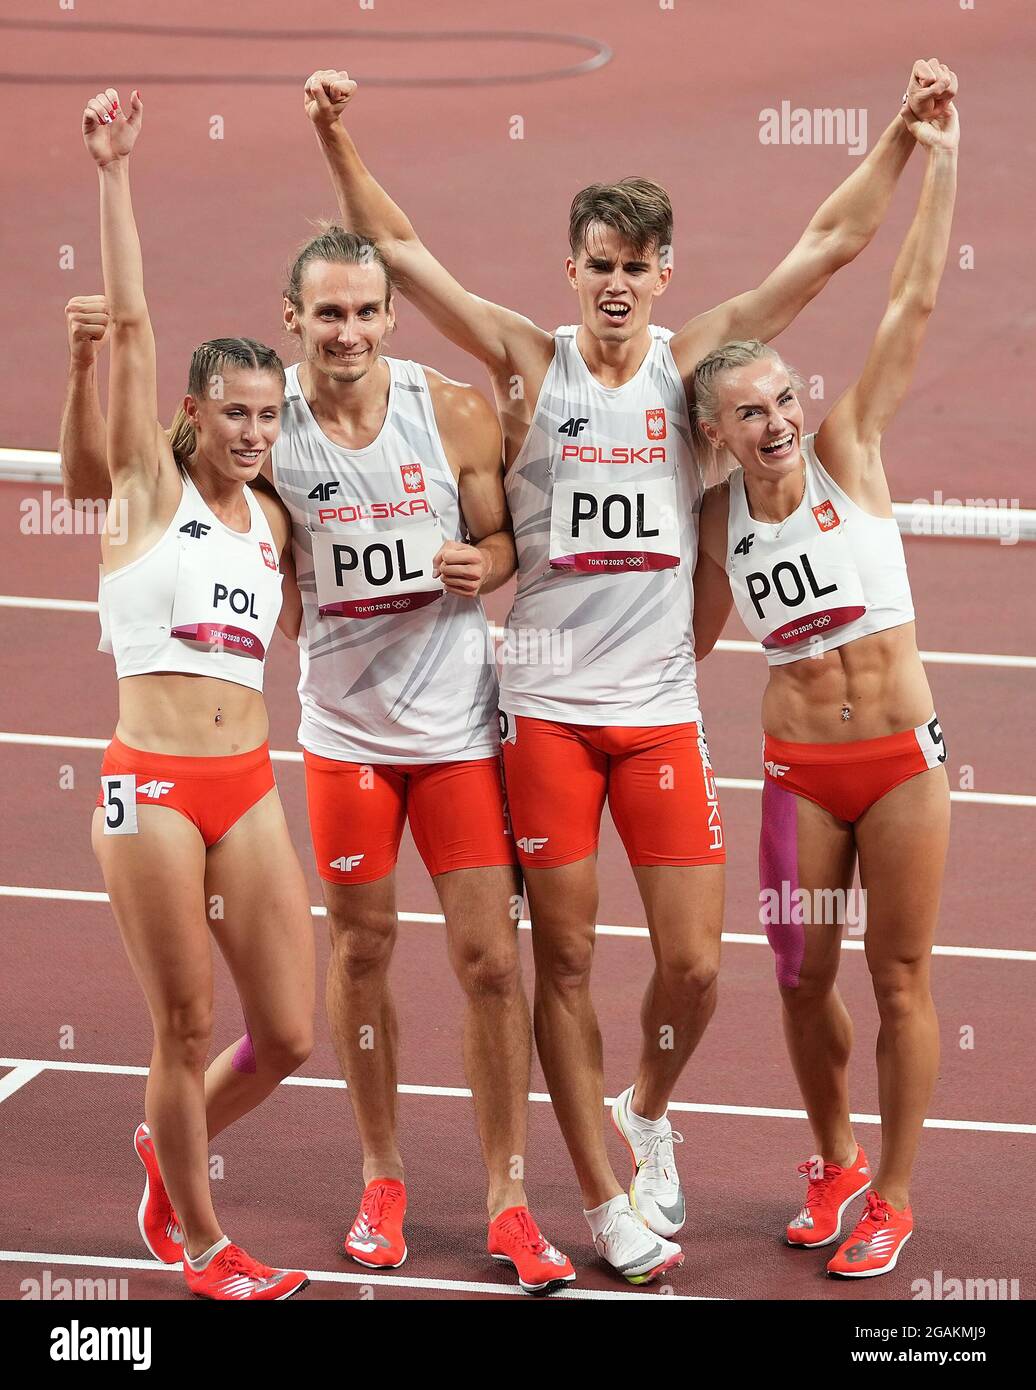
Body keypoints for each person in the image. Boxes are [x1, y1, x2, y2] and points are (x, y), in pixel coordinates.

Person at [299, 59, 955, 1282]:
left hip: (657, 716)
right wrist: (337, 138)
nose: (613, 283)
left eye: (634, 265)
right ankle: (602, 1197)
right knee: (556, 959)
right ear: (572, 271)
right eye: (595, 262)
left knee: (696, 966)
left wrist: (904, 138)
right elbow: (399, 246)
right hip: (542, 712)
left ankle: (643, 1109)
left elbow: (826, 244)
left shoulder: (693, 370)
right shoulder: (523, 361)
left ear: (664, 274)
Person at [64, 217, 573, 1297]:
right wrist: (86, 356)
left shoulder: (448, 415)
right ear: (291, 321)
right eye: (326, 312)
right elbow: (102, 467)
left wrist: (475, 564)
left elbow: (508, 544)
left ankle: (510, 1200)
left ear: (390, 317)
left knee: (486, 966)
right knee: (357, 955)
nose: (347, 330)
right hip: (334, 740)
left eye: (364, 311)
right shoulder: (253, 435)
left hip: (448, 733)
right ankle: (374, 1179)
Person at [691, 81, 958, 1277]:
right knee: (801, 978)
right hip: (799, 766)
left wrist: (936, 153)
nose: (777, 421)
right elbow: (678, 647)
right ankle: (836, 1154)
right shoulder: (710, 525)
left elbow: (911, 298)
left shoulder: (851, 448)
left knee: (899, 976)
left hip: (899, 761)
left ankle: (894, 1194)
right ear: (715, 433)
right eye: (748, 411)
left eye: (782, 398)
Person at [77, 86, 313, 1300]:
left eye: (270, 417)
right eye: (235, 413)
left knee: (290, 1032)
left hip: (247, 783)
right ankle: (203, 1240)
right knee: (181, 1024)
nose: (255, 433)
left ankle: (165, 1143)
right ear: (191, 414)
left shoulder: (275, 519)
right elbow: (130, 322)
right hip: (151, 787)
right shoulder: (140, 491)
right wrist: (116, 173)